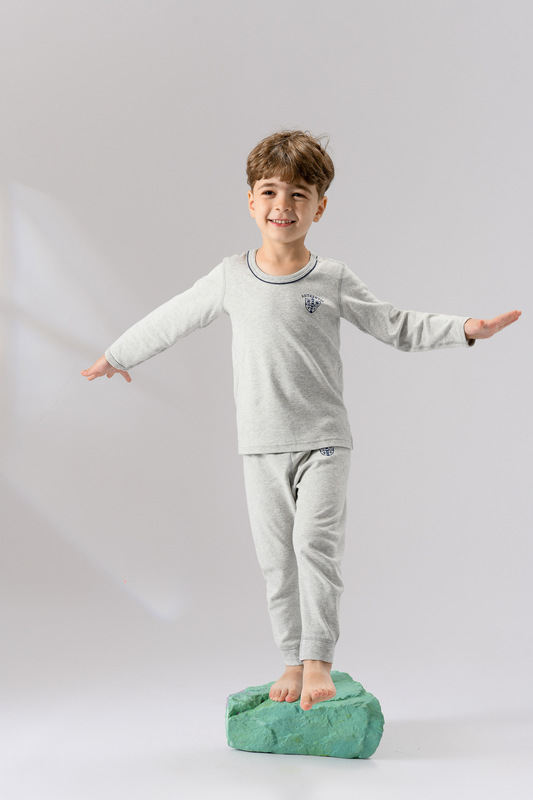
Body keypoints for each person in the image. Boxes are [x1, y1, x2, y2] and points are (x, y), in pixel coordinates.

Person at [81, 130, 521, 711]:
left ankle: (318, 660)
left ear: (320, 206)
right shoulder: (231, 276)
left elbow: (394, 324)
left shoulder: (331, 278)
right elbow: (174, 317)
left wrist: (466, 329)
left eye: (298, 194)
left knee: (315, 543)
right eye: (270, 191)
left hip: (324, 442)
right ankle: (291, 656)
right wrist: (117, 355)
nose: (282, 205)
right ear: (251, 200)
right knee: (276, 559)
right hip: (261, 446)